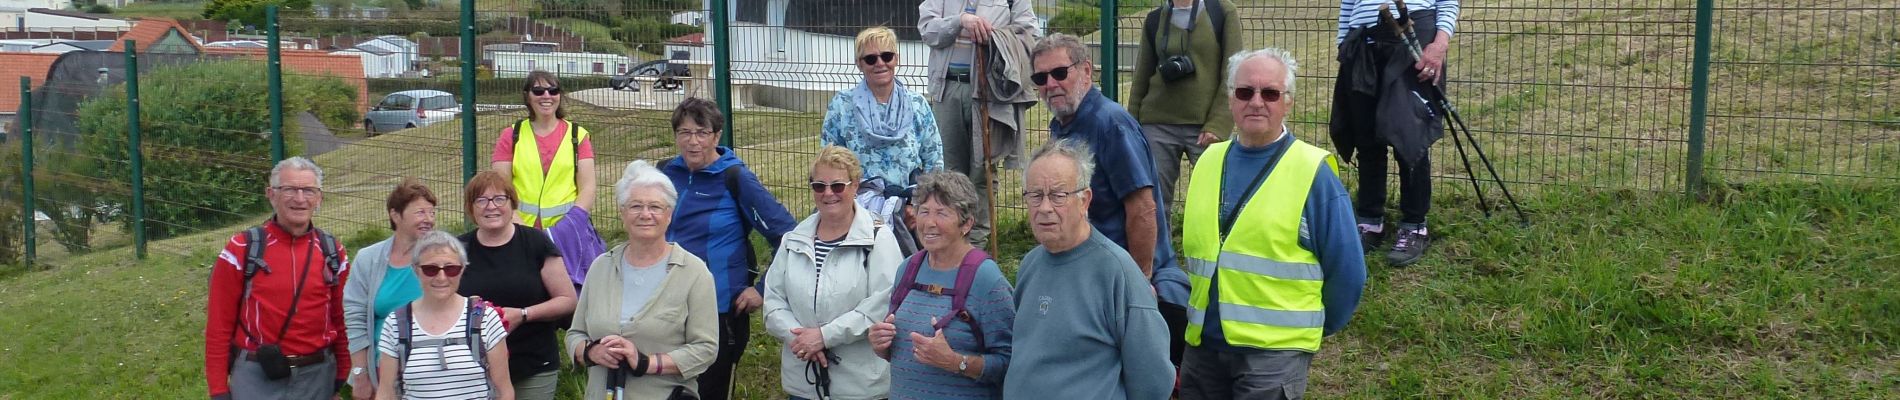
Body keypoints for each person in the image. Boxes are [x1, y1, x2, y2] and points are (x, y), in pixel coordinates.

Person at [1179, 48, 1370, 400]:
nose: (1256, 102)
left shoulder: (1312, 172)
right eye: (1244, 92)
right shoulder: (1207, 163)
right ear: (1230, 99)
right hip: (1204, 345)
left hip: (1274, 357)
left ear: (1288, 102)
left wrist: (1306, 332)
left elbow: (1349, 272)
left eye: (1270, 93)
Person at [1031, 33, 1192, 366]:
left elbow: (1143, 209)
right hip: (1090, 274)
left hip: (1125, 279)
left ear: (1086, 71)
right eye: (1040, 77)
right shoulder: (1064, 125)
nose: (1050, 84)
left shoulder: (1110, 124)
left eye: (1060, 73)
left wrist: (1138, 282)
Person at [1003, 140, 1173, 400]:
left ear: (1085, 200)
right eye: (1035, 195)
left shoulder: (1117, 272)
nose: (1045, 208)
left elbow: (1153, 382)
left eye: (1058, 195)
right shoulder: (1030, 265)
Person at [660, 96, 798, 400]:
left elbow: (788, 234)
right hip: (664, 307)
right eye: (685, 133)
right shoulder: (665, 174)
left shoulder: (735, 178)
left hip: (717, 312)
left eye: (702, 132)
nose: (693, 142)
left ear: (717, 135)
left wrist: (763, 289)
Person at [567, 160, 720, 399]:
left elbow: (706, 349)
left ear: (669, 214)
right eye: (636, 206)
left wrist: (646, 363)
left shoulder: (694, 273)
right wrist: (589, 352)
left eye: (655, 207)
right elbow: (575, 333)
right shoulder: (600, 267)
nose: (645, 214)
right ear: (622, 212)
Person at [204, 156, 352, 400]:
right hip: (256, 376)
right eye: (290, 189)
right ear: (271, 194)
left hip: (318, 377)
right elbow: (219, 325)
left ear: (320, 198)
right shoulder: (241, 249)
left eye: (309, 190)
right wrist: (218, 389)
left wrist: (342, 375)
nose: (300, 198)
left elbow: (342, 318)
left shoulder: (333, 252)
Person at [762, 146, 904, 400]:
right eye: (819, 186)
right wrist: (802, 340)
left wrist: (824, 337)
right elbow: (773, 303)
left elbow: (881, 306)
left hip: (859, 388)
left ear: (855, 186)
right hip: (803, 383)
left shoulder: (878, 239)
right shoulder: (793, 240)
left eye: (838, 186)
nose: (828, 194)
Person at [1331, 0, 1461, 266]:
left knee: (1409, 136)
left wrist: (1439, 45)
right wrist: (1344, 45)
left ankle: (1414, 225)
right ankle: (1370, 222)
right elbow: (1347, 5)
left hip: (1412, 41)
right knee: (1366, 138)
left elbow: (1449, 2)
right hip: (1363, 45)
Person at [869, 171, 1015, 399]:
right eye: (924, 211)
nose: (929, 223)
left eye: (942, 213)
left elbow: (1010, 362)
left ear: (966, 224)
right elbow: (904, 351)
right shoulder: (908, 269)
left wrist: (955, 362)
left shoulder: (986, 279)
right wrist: (882, 345)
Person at [919, 0, 1040, 247]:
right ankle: (949, 243)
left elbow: (1030, 34)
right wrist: (959, 21)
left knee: (982, 172)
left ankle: (976, 249)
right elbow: (928, 30)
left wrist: (994, 39)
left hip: (988, 91)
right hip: (948, 89)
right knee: (949, 171)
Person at [457, 171, 578, 400]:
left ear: (512, 203)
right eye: (481, 200)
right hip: (473, 367)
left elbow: (567, 300)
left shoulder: (536, 242)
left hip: (532, 363)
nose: (491, 206)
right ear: (470, 208)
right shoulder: (457, 250)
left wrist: (523, 315)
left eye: (499, 199)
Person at [492, 70, 607, 288]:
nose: (547, 96)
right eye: (538, 90)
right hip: (519, 230)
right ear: (528, 96)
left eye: (553, 90)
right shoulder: (511, 136)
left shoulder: (578, 135)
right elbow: (500, 188)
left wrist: (570, 224)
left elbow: (588, 187)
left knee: (571, 291)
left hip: (567, 230)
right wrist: (518, 224)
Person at [372, 230, 513, 399]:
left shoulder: (485, 319)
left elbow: (504, 391)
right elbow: (386, 392)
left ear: (462, 270)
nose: (441, 277)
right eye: (430, 269)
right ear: (416, 270)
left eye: (451, 269)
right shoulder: (395, 323)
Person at [1129, 0, 1245, 204]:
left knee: (1216, 198)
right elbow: (1141, 76)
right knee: (1152, 202)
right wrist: (1132, 127)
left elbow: (1233, 73)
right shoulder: (1155, 19)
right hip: (1156, 123)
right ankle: (1158, 238)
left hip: (1205, 127)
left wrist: (1218, 124)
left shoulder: (1222, 12)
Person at [344, 177, 439, 399]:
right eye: (420, 213)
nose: (429, 219)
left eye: (432, 213)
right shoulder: (368, 259)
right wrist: (360, 373)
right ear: (395, 215)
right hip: (384, 369)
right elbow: (355, 317)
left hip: (433, 372)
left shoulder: (441, 257)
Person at [822, 26, 944, 189]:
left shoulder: (917, 104)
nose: (880, 63)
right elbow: (829, 161)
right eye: (871, 59)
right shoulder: (842, 105)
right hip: (858, 204)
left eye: (887, 56)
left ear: (896, 59)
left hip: (909, 205)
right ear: (859, 64)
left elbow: (934, 160)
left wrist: (922, 204)